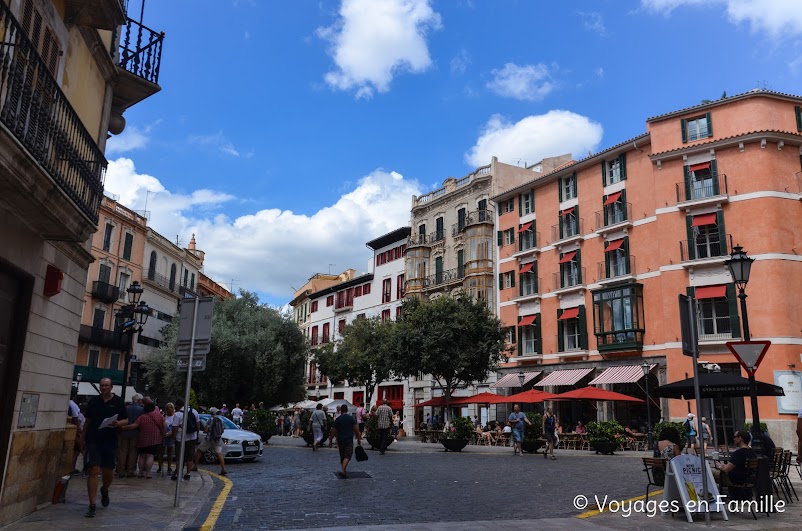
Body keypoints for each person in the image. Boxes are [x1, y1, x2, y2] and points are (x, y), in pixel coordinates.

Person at [81, 378, 128, 518]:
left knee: (108, 472)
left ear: (111, 387)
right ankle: (92, 504)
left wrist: (118, 423)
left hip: (110, 439)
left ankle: (105, 489)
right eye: (102, 385)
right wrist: (82, 437)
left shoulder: (118, 402)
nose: (104, 387)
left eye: (106, 385)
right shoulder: (94, 402)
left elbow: (126, 419)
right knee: (93, 470)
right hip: (93, 439)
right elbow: (88, 421)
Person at [123, 398, 164, 479]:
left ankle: (140, 472)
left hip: (143, 439)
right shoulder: (159, 416)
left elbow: (134, 426)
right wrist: (163, 434)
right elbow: (165, 425)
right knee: (150, 456)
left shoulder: (142, 417)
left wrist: (124, 427)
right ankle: (148, 473)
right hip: (155, 439)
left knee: (142, 456)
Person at [712, 430, 757, 497]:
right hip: (747, 478)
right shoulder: (752, 452)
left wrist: (719, 466)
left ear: (740, 438)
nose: (734, 439)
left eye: (735, 437)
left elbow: (726, 469)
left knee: (710, 471)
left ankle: (713, 495)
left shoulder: (739, 453)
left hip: (736, 479)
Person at [171, 399, 199, 481]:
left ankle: (178, 473)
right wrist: (195, 435)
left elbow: (175, 427)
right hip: (192, 437)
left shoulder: (178, 414)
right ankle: (188, 473)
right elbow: (198, 425)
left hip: (180, 438)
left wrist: (173, 437)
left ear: (178, 406)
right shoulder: (194, 411)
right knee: (190, 457)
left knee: (179, 457)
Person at [116, 393, 143, 478]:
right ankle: (130, 470)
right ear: (138, 400)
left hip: (124, 432)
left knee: (122, 451)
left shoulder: (126, 408)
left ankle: (121, 470)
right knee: (133, 452)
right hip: (135, 433)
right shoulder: (141, 410)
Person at [332, 405, 362, 479]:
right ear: (347, 410)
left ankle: (344, 472)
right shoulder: (351, 418)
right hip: (348, 439)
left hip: (340, 440)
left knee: (342, 456)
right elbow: (356, 429)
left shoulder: (338, 419)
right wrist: (359, 438)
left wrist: (330, 440)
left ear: (341, 410)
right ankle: (343, 471)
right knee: (348, 455)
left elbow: (334, 430)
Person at [195, 407, 227, 475]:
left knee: (199, 450)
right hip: (217, 439)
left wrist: (205, 431)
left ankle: (195, 466)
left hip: (209, 439)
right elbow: (222, 430)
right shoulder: (220, 420)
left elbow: (206, 430)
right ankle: (223, 469)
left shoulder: (210, 420)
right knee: (219, 454)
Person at [68, 389, 85, 475]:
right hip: (73, 431)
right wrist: (79, 432)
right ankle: (71, 468)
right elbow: (76, 419)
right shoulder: (72, 405)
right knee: (75, 451)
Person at [157, 402, 175, 476]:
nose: (169, 409)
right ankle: (160, 466)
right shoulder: (163, 416)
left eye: (171, 407)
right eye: (168, 407)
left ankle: (169, 467)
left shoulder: (174, 417)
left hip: (170, 436)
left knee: (169, 452)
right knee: (161, 452)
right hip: (163, 436)